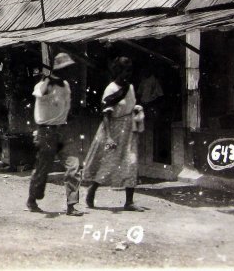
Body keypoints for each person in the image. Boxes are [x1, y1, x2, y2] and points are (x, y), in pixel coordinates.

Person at [82, 57, 145, 212]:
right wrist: (109, 137)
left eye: (129, 71)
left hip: (129, 131)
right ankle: (92, 190)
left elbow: (130, 106)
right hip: (113, 130)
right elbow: (106, 116)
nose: (127, 74)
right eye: (125, 71)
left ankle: (129, 202)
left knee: (131, 163)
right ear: (117, 71)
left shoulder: (130, 87)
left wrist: (136, 112)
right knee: (108, 163)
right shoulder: (110, 89)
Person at [26, 53, 83, 216]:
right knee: (42, 169)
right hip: (46, 131)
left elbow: (67, 106)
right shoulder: (43, 85)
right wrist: (49, 80)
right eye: (67, 69)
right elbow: (40, 93)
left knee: (73, 166)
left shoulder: (65, 85)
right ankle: (32, 199)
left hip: (63, 130)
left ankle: (72, 205)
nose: (70, 72)